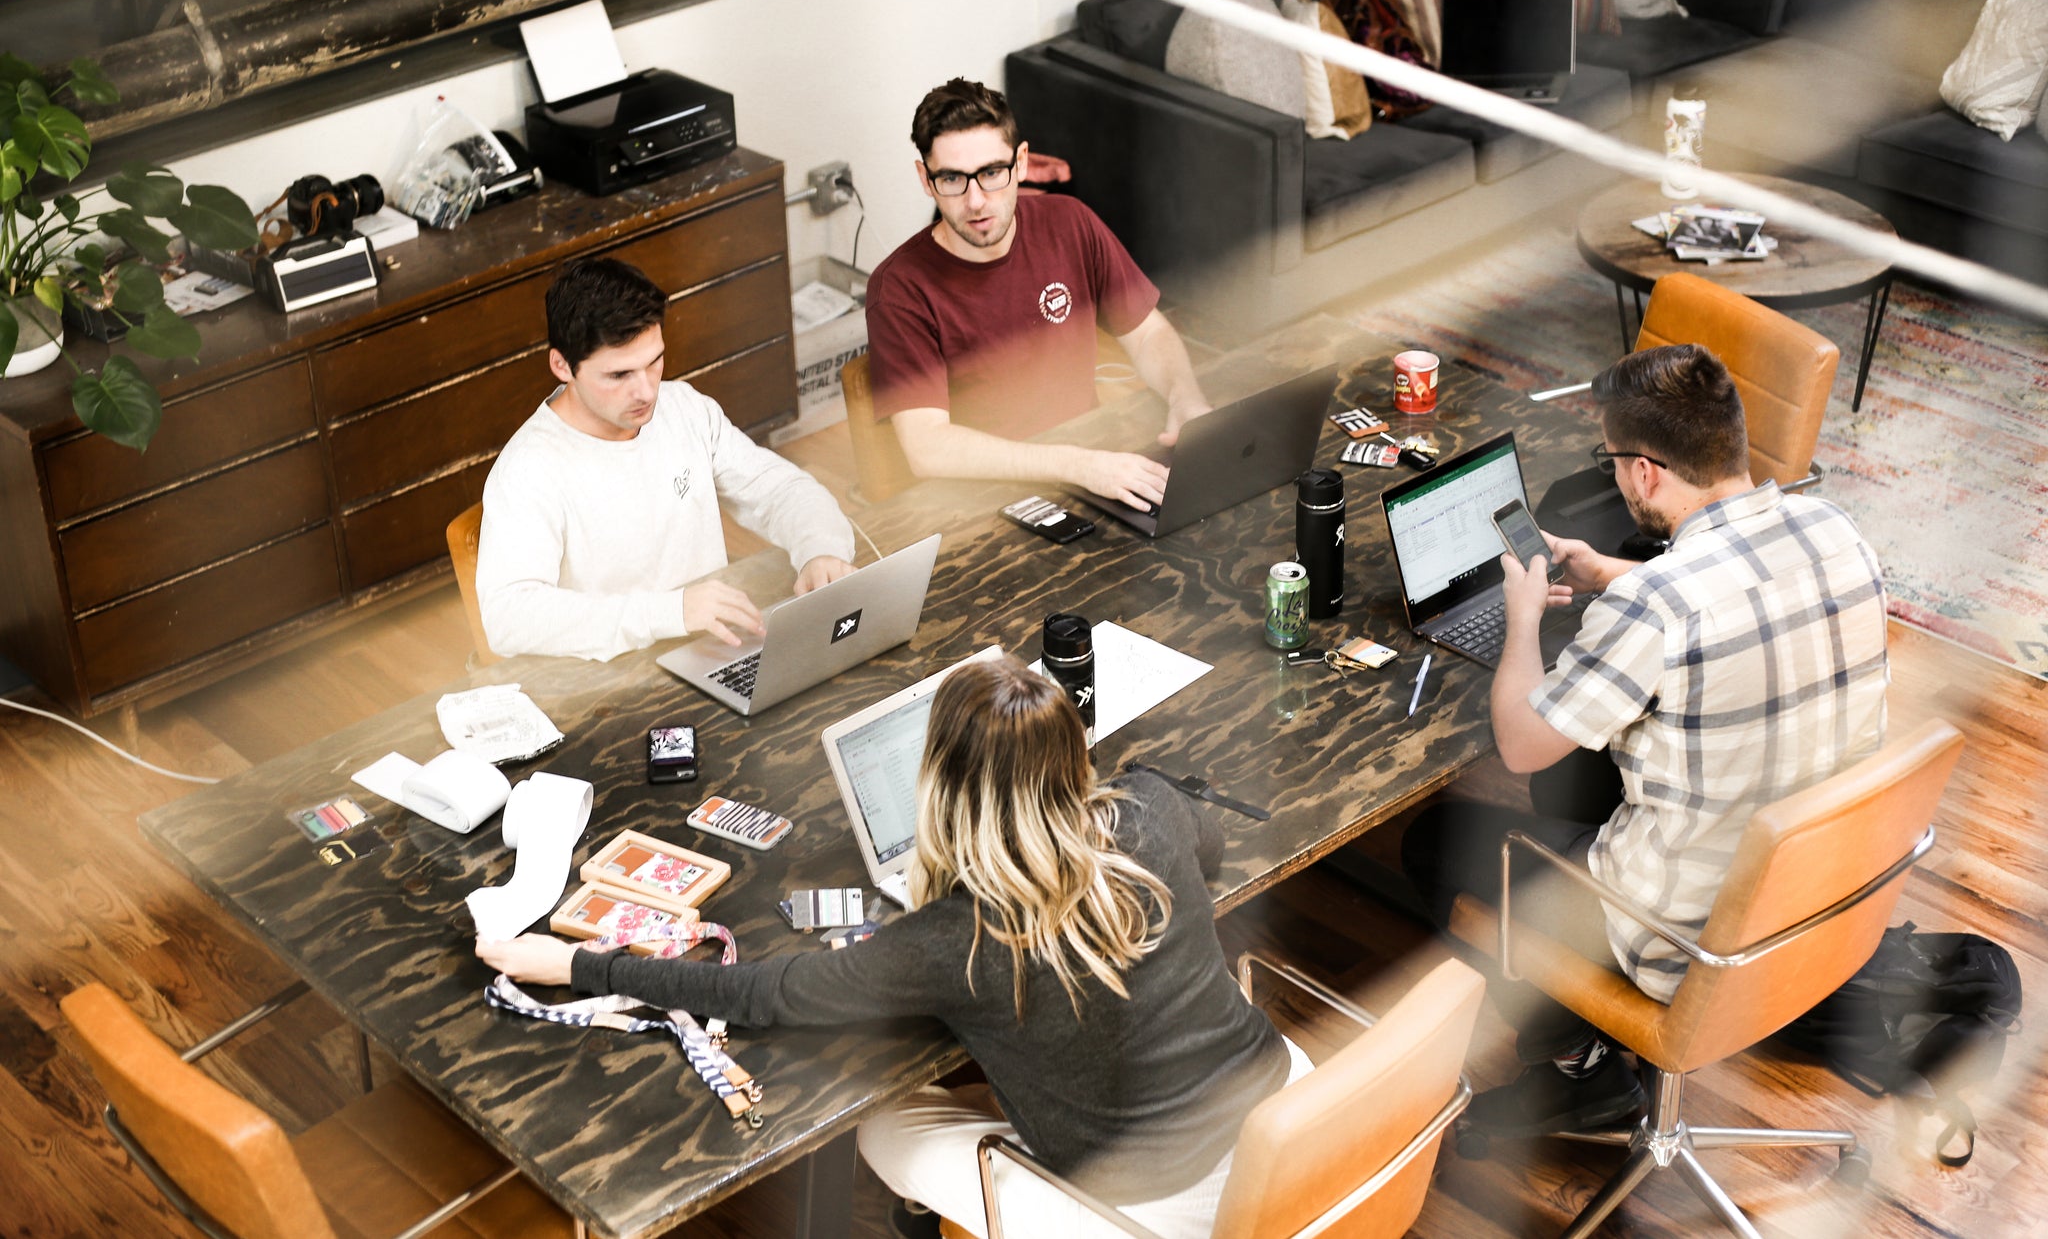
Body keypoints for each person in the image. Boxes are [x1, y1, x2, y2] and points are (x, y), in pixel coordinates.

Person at [477, 655, 1306, 1238]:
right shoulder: (1146, 810)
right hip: (1288, 1117)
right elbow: (1207, 852)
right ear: (1074, 755)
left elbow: (763, 995)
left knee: (884, 1127)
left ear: (939, 786)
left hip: (1159, 1213)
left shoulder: (956, 939)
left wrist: (580, 964)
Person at [1401, 343, 1888, 1139]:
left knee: (1435, 838)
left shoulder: (1657, 608)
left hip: (1688, 945)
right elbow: (1738, 593)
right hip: (1818, 900)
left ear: (1645, 472)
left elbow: (1521, 742)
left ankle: (1579, 1071)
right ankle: (1574, 1043)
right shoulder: (1834, 529)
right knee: (1585, 779)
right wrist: (1611, 573)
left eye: (1613, 460)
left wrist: (1523, 616)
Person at [476, 258, 856, 661]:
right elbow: (510, 618)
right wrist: (670, 612)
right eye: (619, 375)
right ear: (562, 366)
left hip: (716, 648)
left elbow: (780, 490)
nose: (646, 391)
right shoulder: (528, 471)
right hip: (609, 681)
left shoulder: (685, 409)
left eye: (654, 362)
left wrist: (821, 550)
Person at [864, 78, 1212, 514]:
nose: (975, 201)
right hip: (986, 504)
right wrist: (1074, 464)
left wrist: (1185, 397)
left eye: (992, 172)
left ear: (1022, 161)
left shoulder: (1071, 222)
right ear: (925, 179)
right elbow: (927, 446)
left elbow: (1147, 334)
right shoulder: (898, 288)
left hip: (1096, 469)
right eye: (952, 178)